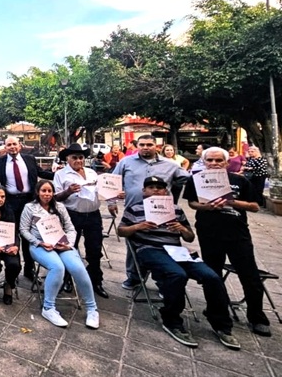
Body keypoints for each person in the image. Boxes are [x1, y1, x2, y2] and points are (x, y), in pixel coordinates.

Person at [119, 176, 239, 349]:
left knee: (212, 277)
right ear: (144, 191)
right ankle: (172, 320)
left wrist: (182, 229)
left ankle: (221, 325)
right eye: (151, 187)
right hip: (150, 249)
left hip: (177, 251)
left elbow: (189, 237)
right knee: (177, 274)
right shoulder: (135, 209)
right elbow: (122, 231)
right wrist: (138, 227)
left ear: (166, 191)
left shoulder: (176, 210)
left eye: (160, 187)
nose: (156, 190)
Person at [185, 147, 272, 337]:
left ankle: (257, 317)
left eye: (218, 160)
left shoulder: (239, 180)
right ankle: (217, 314)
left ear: (226, 162)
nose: (214, 163)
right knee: (212, 275)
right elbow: (192, 202)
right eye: (210, 160)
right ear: (204, 162)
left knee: (250, 276)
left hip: (237, 234)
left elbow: (255, 206)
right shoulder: (196, 180)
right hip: (209, 234)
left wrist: (230, 202)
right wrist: (206, 206)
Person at [108, 135, 189, 290]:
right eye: (142, 144)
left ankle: (163, 280)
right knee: (134, 244)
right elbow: (113, 181)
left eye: (149, 144)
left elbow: (188, 179)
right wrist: (112, 202)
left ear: (156, 146)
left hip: (162, 211)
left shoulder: (170, 164)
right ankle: (135, 277)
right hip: (134, 210)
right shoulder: (126, 162)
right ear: (137, 145)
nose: (146, 147)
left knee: (163, 243)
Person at [20, 180, 99, 329]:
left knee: (78, 267)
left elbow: (70, 228)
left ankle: (92, 308)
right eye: (43, 191)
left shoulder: (60, 207)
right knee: (58, 267)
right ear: (37, 192)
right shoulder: (30, 208)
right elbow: (23, 230)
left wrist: (68, 244)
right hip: (40, 246)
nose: (47, 194)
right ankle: (48, 308)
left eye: (49, 191)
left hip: (61, 244)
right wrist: (39, 242)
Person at [0, 135, 53, 281]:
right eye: (9, 145)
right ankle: (14, 266)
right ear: (5, 147)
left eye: (14, 144)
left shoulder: (29, 159)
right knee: (12, 234)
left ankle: (29, 269)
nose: (12, 147)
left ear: (20, 146)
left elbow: (41, 173)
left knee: (28, 235)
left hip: (28, 201)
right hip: (10, 202)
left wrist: (58, 174)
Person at [53, 144, 109, 298]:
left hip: (93, 214)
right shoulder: (61, 175)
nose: (78, 160)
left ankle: (95, 281)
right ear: (67, 159)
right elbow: (55, 198)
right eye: (74, 158)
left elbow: (103, 191)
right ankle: (67, 279)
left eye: (81, 157)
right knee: (69, 248)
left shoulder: (92, 173)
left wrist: (114, 197)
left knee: (95, 249)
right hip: (72, 215)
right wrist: (68, 191)